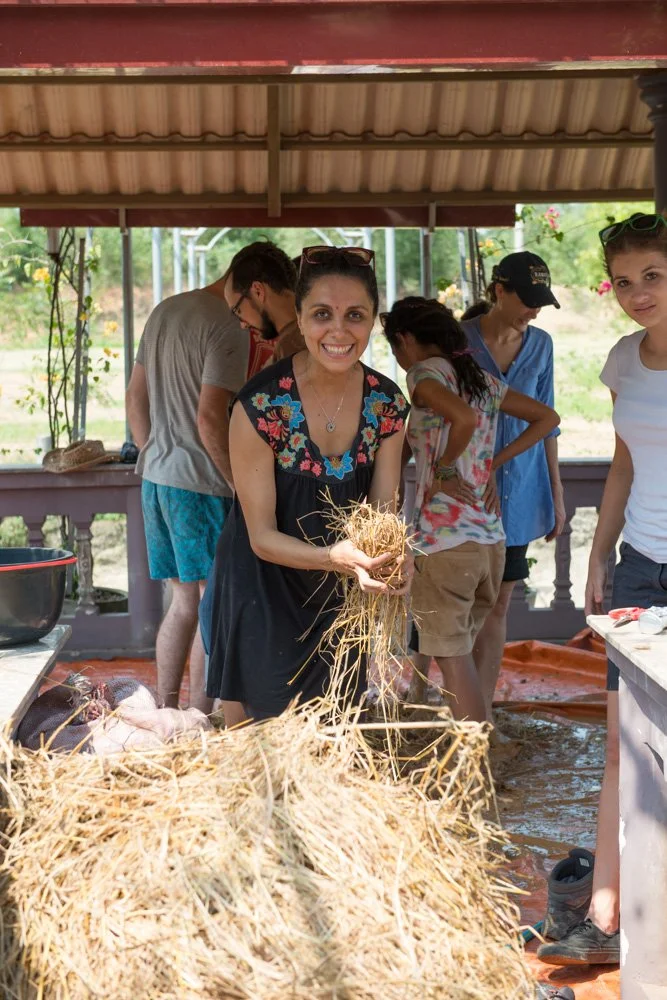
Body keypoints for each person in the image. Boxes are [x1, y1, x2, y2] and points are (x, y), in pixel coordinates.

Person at [206, 245, 410, 722]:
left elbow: (381, 515)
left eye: (354, 315)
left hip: (342, 597)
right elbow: (260, 537)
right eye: (322, 313)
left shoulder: (387, 405)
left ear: (372, 319)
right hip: (263, 586)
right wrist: (331, 558)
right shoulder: (259, 407)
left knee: (335, 736)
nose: (338, 331)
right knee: (260, 748)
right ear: (298, 317)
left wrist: (394, 557)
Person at [538, 211, 667, 967]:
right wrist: (597, 551)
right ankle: (604, 915)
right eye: (622, 281)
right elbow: (622, 461)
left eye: (652, 275)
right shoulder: (622, 361)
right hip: (640, 567)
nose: (636, 292)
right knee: (625, 745)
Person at [383, 297, 559, 723]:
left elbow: (460, 419)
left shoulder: (423, 375)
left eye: (395, 348)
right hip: (489, 544)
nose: (398, 359)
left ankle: (474, 768)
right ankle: (469, 745)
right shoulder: (478, 377)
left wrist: (444, 468)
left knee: (455, 662)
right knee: (457, 655)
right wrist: (488, 465)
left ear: (406, 340)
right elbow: (546, 417)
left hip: (446, 543)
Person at [126, 274, 247, 714]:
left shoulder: (165, 310)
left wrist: (154, 453)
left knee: (184, 602)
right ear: (257, 289)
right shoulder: (225, 325)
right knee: (211, 602)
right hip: (200, 482)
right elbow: (210, 418)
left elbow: (134, 398)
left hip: (156, 477)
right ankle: (200, 720)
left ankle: (168, 711)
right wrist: (239, 486)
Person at [459, 251, 565, 720]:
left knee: (500, 605)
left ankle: (483, 713)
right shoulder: (457, 343)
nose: (535, 311)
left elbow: (550, 424)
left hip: (521, 493)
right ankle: (453, 708)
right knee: (460, 606)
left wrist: (556, 495)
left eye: (541, 301)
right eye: (527, 300)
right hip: (464, 496)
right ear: (498, 292)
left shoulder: (541, 345)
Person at [223, 240, 305, 362]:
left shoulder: (291, 345)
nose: (243, 324)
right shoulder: (309, 331)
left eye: (237, 311)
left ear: (258, 291)